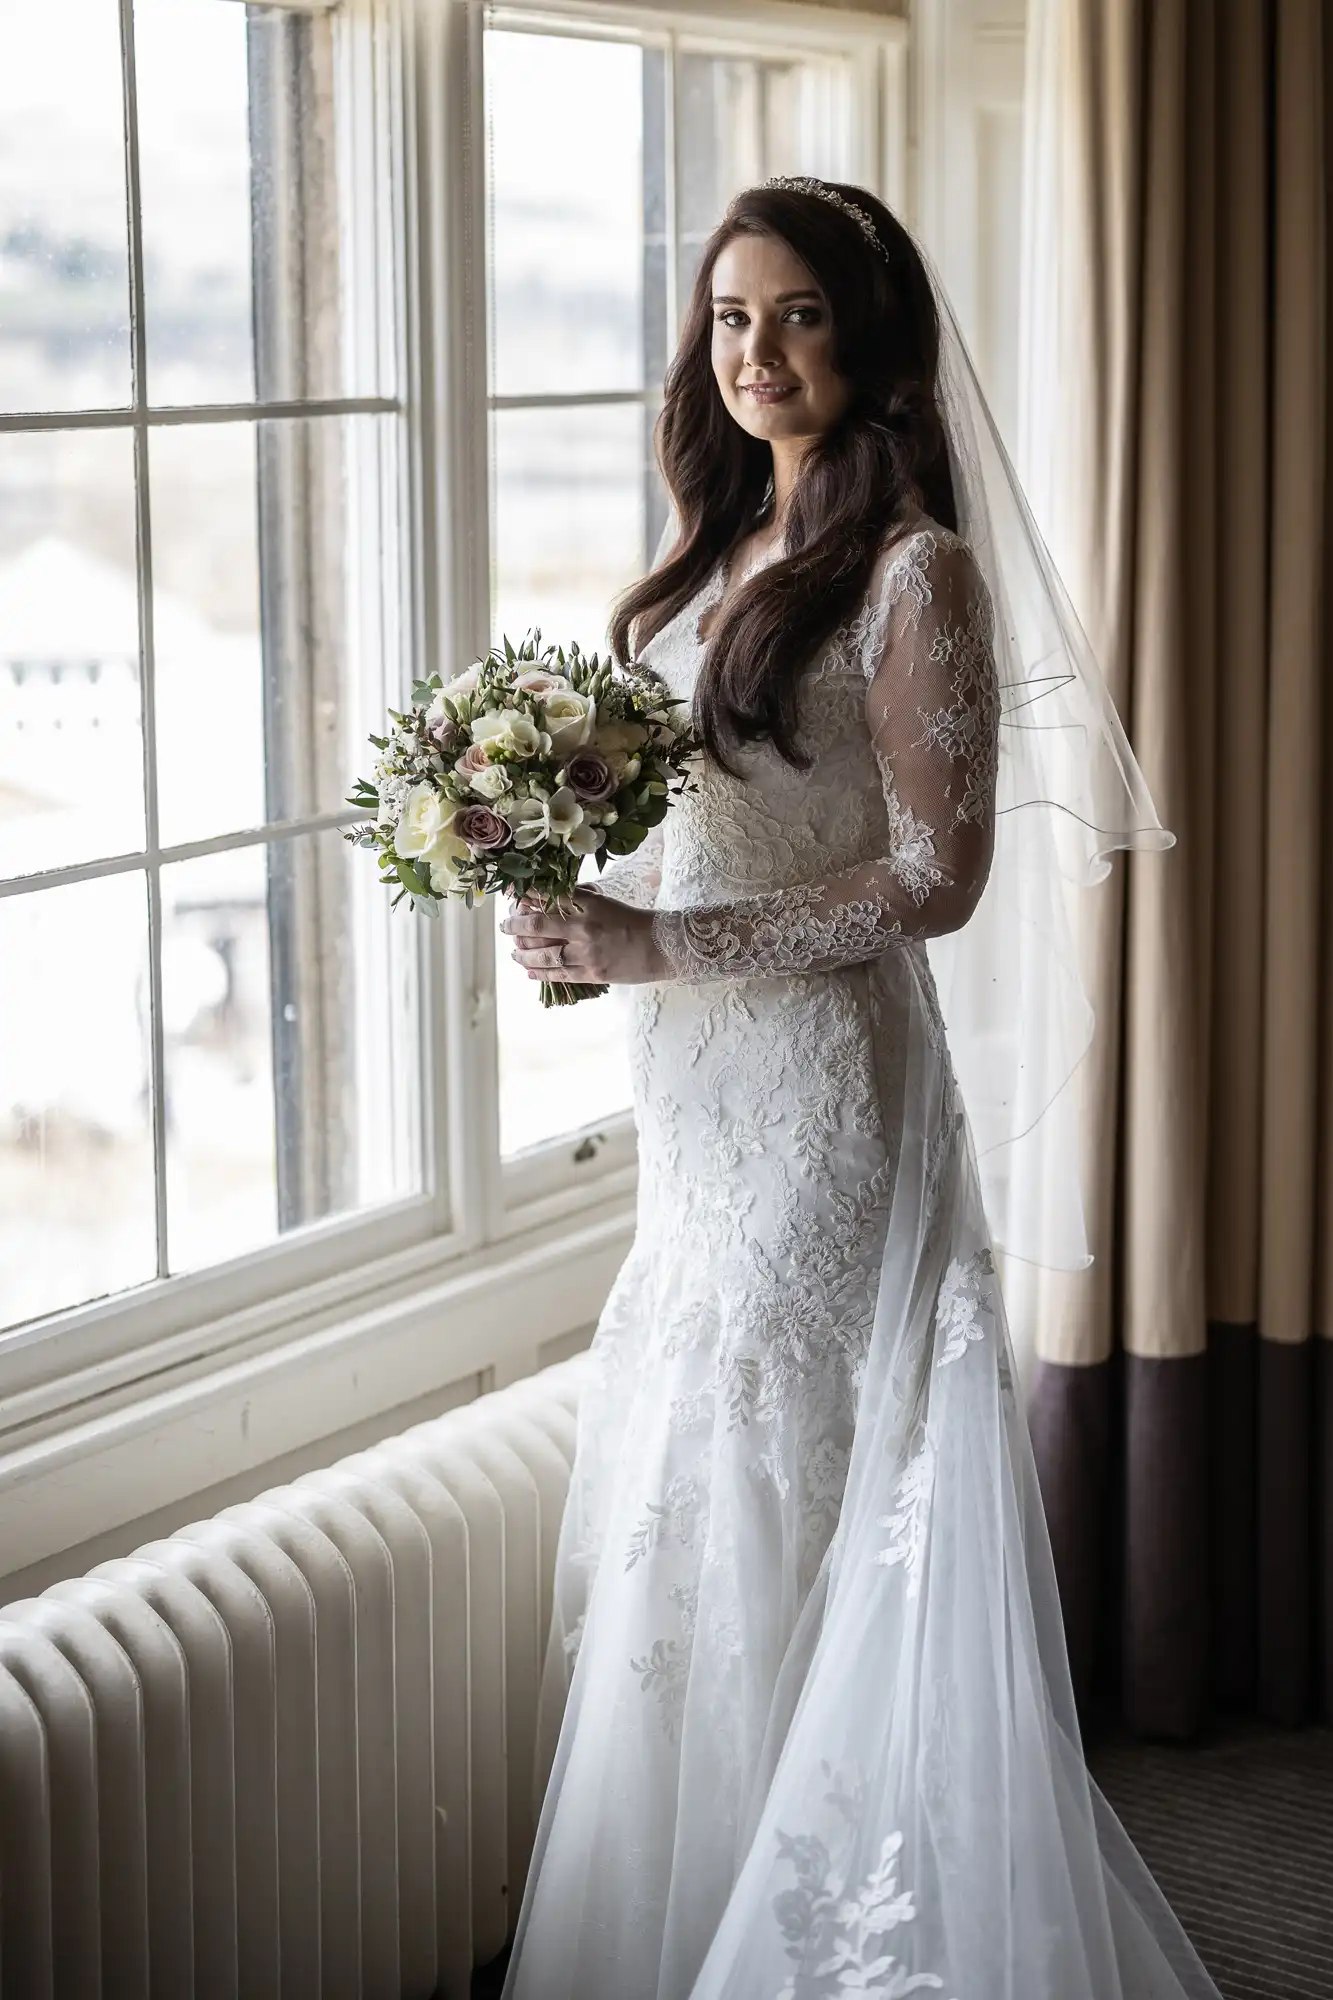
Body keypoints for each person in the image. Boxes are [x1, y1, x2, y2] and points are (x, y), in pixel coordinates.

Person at [499, 178, 1220, 2000]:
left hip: (826, 1098)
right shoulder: (707, 554)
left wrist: (662, 947)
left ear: (872, 337)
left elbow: (933, 877)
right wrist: (584, 918)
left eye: (800, 315)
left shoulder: (919, 572)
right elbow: (699, 831)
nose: (757, 354)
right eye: (731, 318)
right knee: (703, 1473)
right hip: (701, 1100)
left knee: (796, 1462)